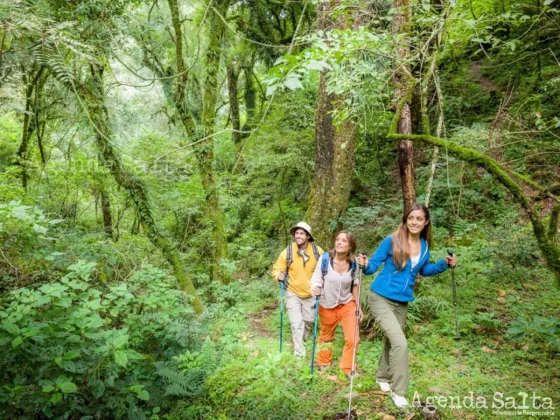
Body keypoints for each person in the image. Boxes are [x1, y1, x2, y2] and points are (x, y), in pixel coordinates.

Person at [357, 203, 457, 408]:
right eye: (411, 218)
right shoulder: (391, 240)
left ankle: (383, 377)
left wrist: (443, 264)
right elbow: (373, 266)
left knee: (391, 339)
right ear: (405, 219)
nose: (414, 222)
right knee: (401, 343)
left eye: (419, 219)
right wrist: (365, 265)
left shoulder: (425, 246)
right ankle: (399, 390)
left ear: (426, 222)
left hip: (402, 301)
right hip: (380, 297)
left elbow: (424, 271)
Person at [310, 230, 363, 377]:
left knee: (353, 338)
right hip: (327, 303)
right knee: (326, 336)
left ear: (350, 246)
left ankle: (348, 368)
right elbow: (316, 279)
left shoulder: (354, 264)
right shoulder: (325, 259)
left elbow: (355, 285)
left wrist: (358, 306)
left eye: (344, 240)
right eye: (338, 239)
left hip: (347, 303)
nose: (339, 242)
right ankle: (323, 361)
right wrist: (315, 288)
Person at [272, 222, 323, 357]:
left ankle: (302, 341)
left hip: (311, 293)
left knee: (308, 321)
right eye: (297, 233)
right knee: (296, 323)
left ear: (307, 236)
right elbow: (277, 269)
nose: (298, 236)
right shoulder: (288, 251)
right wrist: (279, 276)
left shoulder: (318, 252)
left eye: (301, 233)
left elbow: (325, 269)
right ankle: (299, 352)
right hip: (292, 292)